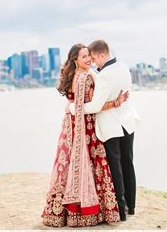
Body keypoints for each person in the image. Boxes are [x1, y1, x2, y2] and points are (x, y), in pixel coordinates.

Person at [41, 43, 129, 227]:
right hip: (85, 126)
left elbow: (75, 106)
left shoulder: (70, 75)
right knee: (90, 162)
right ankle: (85, 211)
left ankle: (61, 212)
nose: (88, 59)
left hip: (70, 126)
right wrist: (116, 103)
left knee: (67, 164)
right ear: (75, 60)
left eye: (89, 55)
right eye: (84, 57)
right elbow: (91, 107)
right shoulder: (86, 77)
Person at [68, 40, 140, 221]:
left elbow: (94, 106)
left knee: (115, 167)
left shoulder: (105, 75)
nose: (92, 61)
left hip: (111, 126)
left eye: (93, 57)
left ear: (101, 55)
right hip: (127, 122)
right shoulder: (123, 67)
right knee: (128, 163)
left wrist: (72, 108)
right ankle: (131, 206)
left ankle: (121, 210)